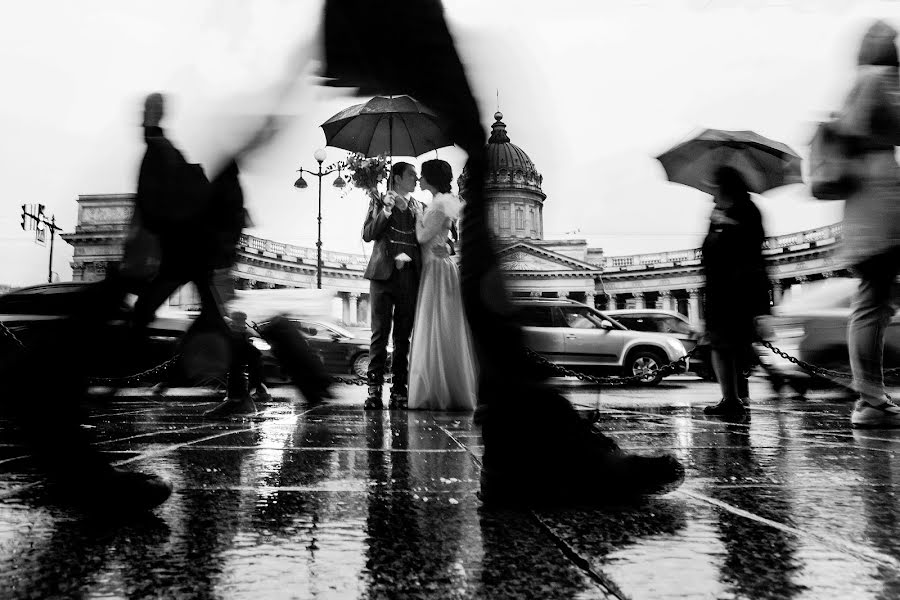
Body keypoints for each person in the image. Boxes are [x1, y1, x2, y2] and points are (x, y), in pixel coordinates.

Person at [323, 0, 685, 505]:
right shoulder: (427, 195)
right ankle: (534, 430)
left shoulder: (448, 196)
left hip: (404, 38)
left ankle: (523, 434)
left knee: (468, 134)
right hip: (403, 33)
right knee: (465, 129)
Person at [835, 20, 900, 428]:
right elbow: (857, 130)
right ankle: (870, 399)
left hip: (871, 204)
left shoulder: (865, 82)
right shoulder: (877, 80)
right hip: (880, 203)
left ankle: (871, 398)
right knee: (873, 302)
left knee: (873, 300)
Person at [700, 166, 771, 416]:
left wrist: (727, 227)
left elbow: (753, 247)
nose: (711, 195)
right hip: (720, 288)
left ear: (726, 187)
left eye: (714, 188)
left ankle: (737, 397)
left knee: (734, 343)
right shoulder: (718, 213)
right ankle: (730, 398)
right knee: (722, 345)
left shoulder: (748, 210)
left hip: (740, 287)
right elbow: (706, 252)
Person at [407, 159, 477, 411]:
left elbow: (423, 237)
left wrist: (417, 216)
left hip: (436, 268)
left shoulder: (437, 204)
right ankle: (445, 386)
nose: (419, 178)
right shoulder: (443, 202)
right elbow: (446, 240)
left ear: (430, 178)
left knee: (434, 325)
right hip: (440, 265)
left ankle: (435, 390)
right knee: (442, 328)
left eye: (422, 174)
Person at [361, 161, 423, 410]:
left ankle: (399, 389)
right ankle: (374, 391)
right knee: (379, 333)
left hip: (408, 276)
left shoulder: (419, 206)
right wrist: (385, 211)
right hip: (382, 275)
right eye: (411, 175)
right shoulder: (378, 200)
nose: (416, 179)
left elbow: (421, 239)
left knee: (402, 337)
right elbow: (367, 234)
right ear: (397, 178)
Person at [204, 311, 271, 418]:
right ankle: (243, 403)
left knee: (236, 372)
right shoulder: (242, 344)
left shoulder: (241, 345)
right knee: (236, 371)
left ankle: (238, 402)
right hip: (239, 372)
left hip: (238, 377)